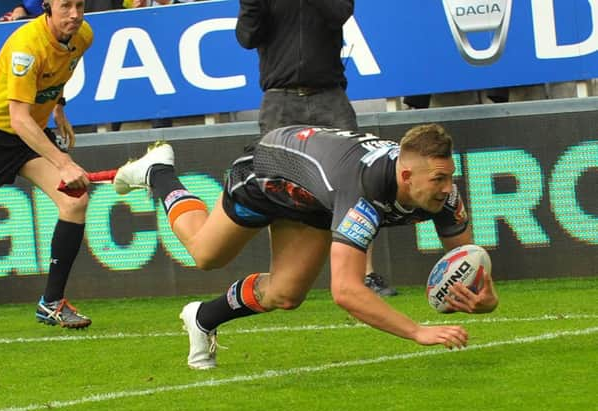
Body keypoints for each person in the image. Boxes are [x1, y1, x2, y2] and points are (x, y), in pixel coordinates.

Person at [113, 123, 499, 369]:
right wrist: (418, 331)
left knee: (285, 295)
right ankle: (158, 171)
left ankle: (202, 318)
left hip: (314, 201)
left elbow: (465, 260)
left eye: (450, 177)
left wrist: (487, 297)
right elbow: (347, 291)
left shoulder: (444, 195)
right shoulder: (364, 189)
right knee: (205, 254)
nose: (448, 189)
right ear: (405, 174)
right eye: (438, 180)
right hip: (269, 173)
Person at [235, 0, 396, 296]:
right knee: (276, 186)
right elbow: (246, 37)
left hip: (328, 95)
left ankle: (365, 274)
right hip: (279, 98)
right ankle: (285, 273)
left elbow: (339, 13)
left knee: (357, 182)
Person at [0, 0, 93, 328]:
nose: (75, 14)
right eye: (65, 6)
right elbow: (18, 119)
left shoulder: (83, 35)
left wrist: (59, 106)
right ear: (47, 8)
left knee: (74, 201)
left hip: (29, 135)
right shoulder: (26, 47)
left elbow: (63, 68)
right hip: (1, 132)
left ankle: (51, 303)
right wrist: (63, 162)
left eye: (79, 5)